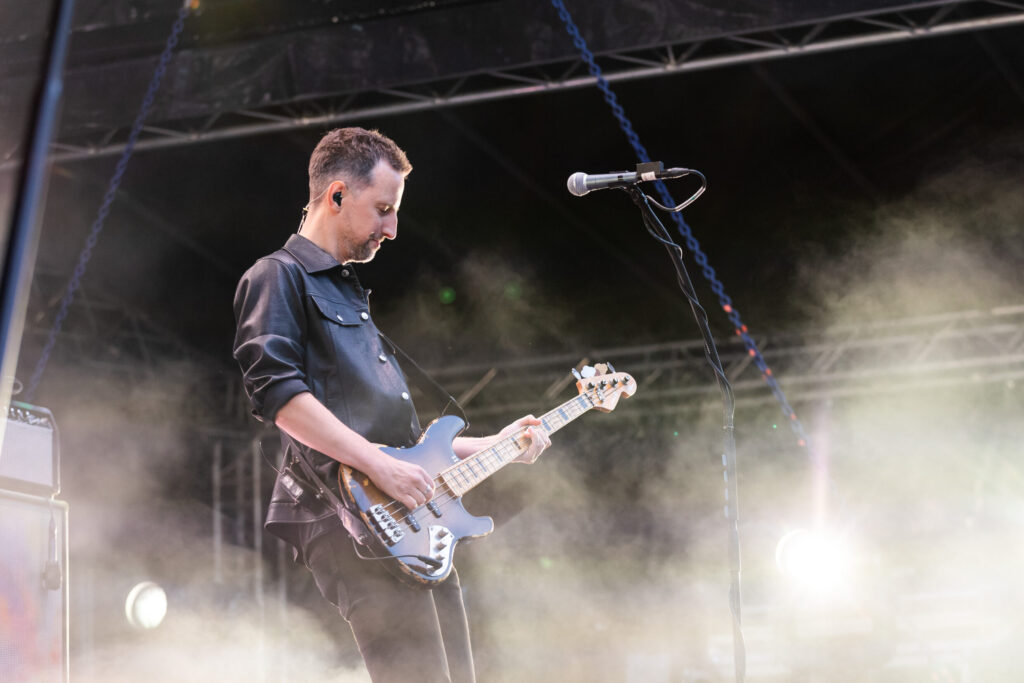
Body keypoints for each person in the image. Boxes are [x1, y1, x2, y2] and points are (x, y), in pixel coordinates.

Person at [232, 127, 550, 683]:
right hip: (345, 514)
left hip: (405, 522)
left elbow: (405, 448)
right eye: (383, 209)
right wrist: (379, 467)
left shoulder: (348, 291)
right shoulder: (276, 276)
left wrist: (498, 445)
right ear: (335, 195)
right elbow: (278, 396)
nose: (392, 228)